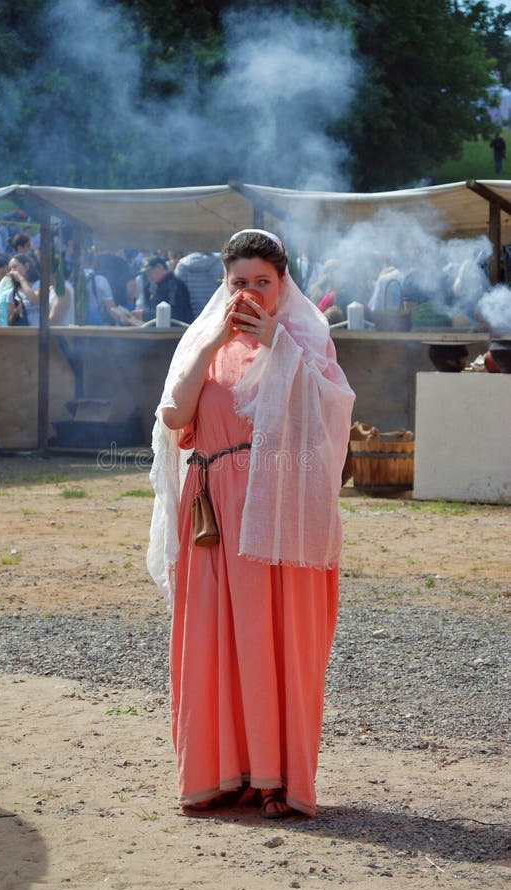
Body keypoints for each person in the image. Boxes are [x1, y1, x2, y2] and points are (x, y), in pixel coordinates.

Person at [147, 229, 354, 818]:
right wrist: (213, 339)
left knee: (273, 639)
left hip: (277, 513)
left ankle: (278, 780)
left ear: (281, 283)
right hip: (211, 510)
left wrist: (279, 348)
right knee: (211, 638)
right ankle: (222, 774)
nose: (251, 292)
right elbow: (173, 414)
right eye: (240, 282)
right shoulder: (203, 339)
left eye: (262, 281)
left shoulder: (306, 339)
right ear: (225, 283)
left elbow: (332, 416)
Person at [135, 256, 193, 324]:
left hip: (176, 332)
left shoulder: (173, 285)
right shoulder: (161, 285)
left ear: (160, 267)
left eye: (150, 271)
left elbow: (173, 315)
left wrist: (144, 315)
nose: (148, 275)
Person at [174, 251, 224, 317]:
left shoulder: (181, 266)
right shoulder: (220, 263)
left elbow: (176, 293)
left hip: (189, 316)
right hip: (214, 314)